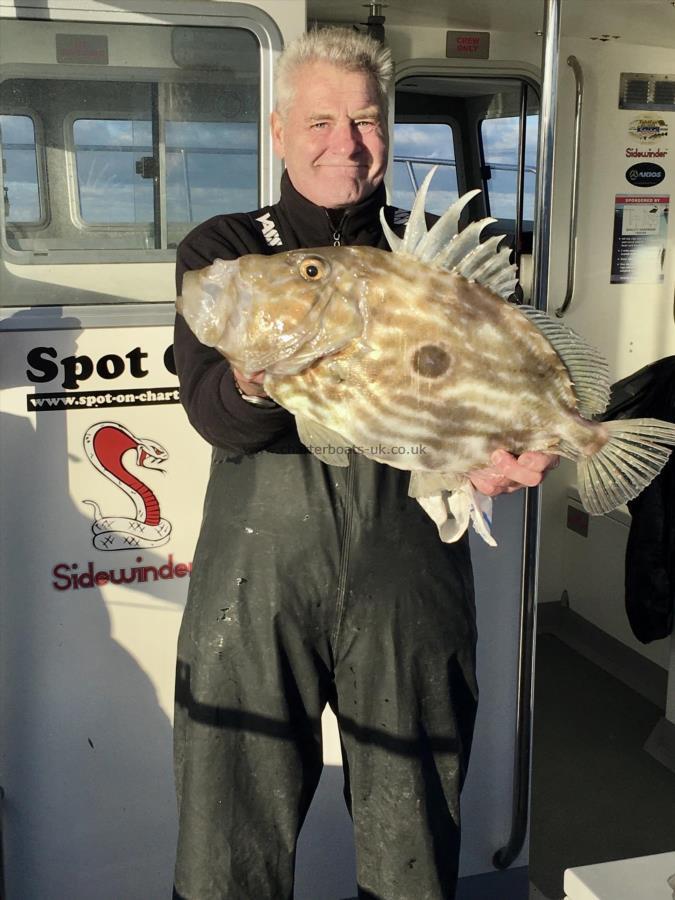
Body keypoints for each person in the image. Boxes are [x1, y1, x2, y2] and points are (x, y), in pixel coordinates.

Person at [172, 27, 554, 900]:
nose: (345, 143)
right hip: (258, 575)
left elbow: (489, 404)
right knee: (229, 827)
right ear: (278, 133)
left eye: (366, 121)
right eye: (319, 121)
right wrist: (262, 369)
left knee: (414, 820)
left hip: (409, 572)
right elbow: (218, 421)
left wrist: (503, 459)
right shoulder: (226, 249)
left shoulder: (435, 260)